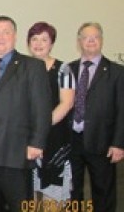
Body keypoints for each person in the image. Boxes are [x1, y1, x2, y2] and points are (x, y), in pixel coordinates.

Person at [0, 15, 52, 212]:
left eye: (6, 32)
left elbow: (41, 108)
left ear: (15, 36)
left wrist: (37, 143)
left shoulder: (32, 66)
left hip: (14, 153)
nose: (0, 37)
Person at [68, 22, 124, 212]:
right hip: (71, 141)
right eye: (86, 37)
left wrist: (118, 143)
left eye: (95, 37)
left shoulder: (117, 72)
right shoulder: (68, 69)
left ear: (101, 40)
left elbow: (122, 109)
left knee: (103, 192)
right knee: (71, 191)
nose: (91, 41)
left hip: (102, 142)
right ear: (79, 42)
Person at [27, 22, 75, 205]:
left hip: (54, 139)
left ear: (52, 43)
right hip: (25, 140)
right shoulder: (22, 67)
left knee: (51, 198)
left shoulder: (63, 69)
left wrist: (41, 128)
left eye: (44, 39)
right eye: (34, 39)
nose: (39, 43)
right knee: (26, 195)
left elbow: (67, 103)